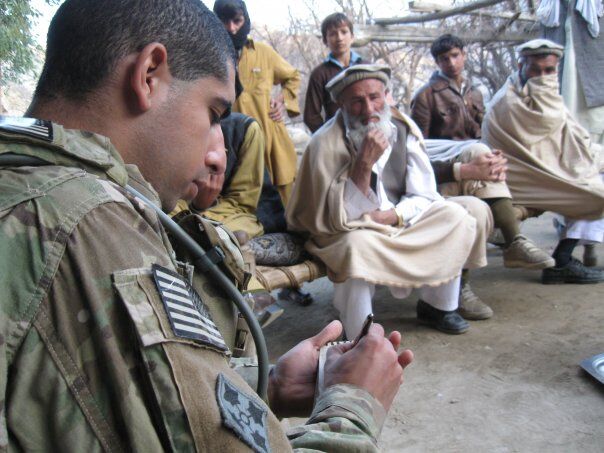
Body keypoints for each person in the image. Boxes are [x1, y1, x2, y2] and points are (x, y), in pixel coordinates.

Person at [0, 1, 414, 450]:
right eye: (214, 113)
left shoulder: (26, 183)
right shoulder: (88, 224)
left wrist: (264, 386)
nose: (214, 153)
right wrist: (352, 404)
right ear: (149, 75)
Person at [287, 64, 493, 338]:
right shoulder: (323, 144)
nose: (369, 109)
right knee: (354, 247)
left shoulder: (402, 128)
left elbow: (424, 194)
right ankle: (360, 329)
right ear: (341, 104)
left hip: (396, 221)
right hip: (352, 230)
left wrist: (394, 215)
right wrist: (363, 164)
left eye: (374, 97)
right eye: (357, 102)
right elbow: (336, 220)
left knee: (454, 216)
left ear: (386, 95)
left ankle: (439, 306)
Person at [411, 34, 554, 276]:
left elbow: (483, 133)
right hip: (448, 172)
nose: (451, 63)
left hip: (479, 163)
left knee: (492, 157)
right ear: (437, 63)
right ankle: (513, 241)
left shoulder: (474, 93)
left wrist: (494, 156)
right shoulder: (426, 96)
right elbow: (417, 149)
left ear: (464, 55)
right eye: (444, 59)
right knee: (480, 162)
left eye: (455, 55)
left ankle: (513, 240)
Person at [482, 38, 604, 284]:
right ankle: (562, 261)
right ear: (520, 68)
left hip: (545, 171)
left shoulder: (550, 98)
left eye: (549, 71)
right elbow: (536, 143)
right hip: (515, 180)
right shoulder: (507, 102)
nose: (542, 76)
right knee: (593, 190)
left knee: (592, 174)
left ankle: (564, 257)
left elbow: (570, 138)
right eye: (534, 70)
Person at [213, 0, 301, 207]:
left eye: (237, 21)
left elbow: (293, 76)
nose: (232, 28)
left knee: (286, 205)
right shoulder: (209, 56)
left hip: (271, 141)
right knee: (241, 201)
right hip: (234, 143)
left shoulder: (263, 53)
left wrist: (282, 101)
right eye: (224, 21)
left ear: (246, 20)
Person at [303, 12, 366, 133]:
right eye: (332, 34)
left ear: (352, 36)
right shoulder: (320, 74)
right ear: (325, 41)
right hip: (335, 139)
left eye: (344, 32)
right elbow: (311, 116)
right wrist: (327, 137)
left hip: (366, 133)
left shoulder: (366, 67)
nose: (339, 38)